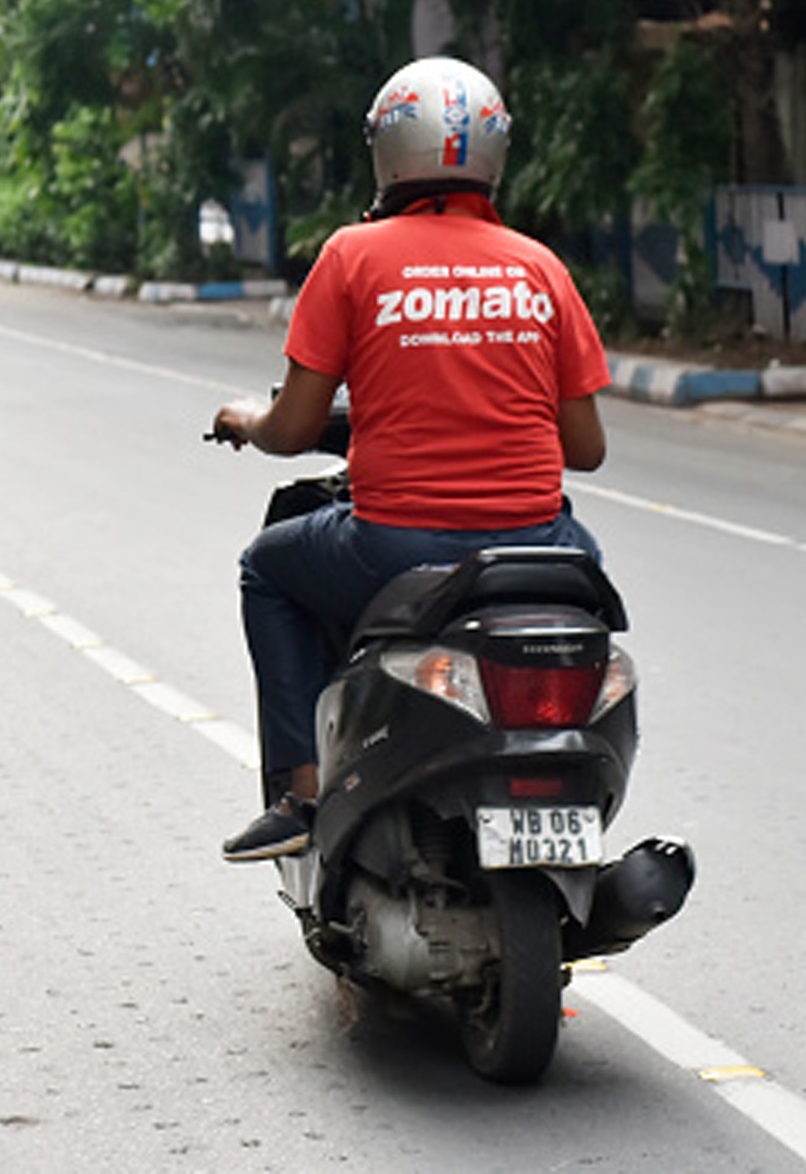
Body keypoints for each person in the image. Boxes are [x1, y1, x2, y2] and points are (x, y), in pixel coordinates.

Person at [212, 56, 611, 862]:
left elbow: (294, 427)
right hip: (542, 548)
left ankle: (300, 795)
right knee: (591, 630)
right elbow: (588, 449)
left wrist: (249, 420)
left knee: (267, 568)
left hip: (395, 547)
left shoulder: (353, 257)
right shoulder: (541, 269)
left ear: (387, 148)